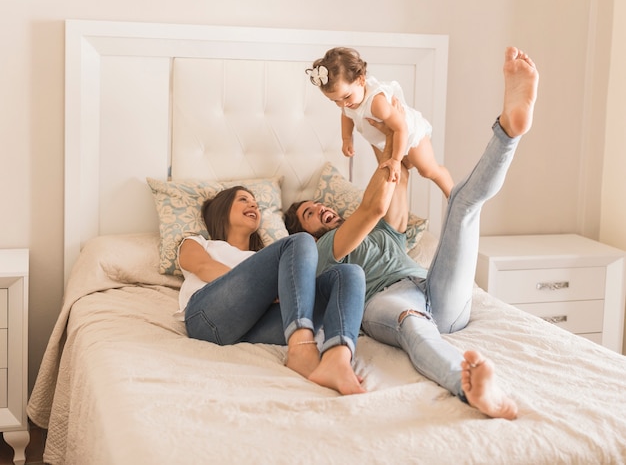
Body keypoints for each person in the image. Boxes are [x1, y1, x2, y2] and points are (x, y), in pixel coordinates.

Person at [286, 46, 539, 419]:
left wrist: (395, 133)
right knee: (413, 326)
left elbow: (398, 176)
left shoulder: (386, 231)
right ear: (303, 233)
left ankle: (508, 133)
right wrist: (387, 140)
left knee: (461, 205)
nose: (321, 208)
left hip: (437, 291)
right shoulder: (323, 250)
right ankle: (471, 389)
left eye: (320, 204)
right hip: (386, 304)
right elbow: (372, 207)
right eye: (309, 212)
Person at [177, 186, 366, 395]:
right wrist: (264, 291)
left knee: (349, 273)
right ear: (222, 210)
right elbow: (203, 267)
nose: (253, 205)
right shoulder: (199, 242)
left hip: (252, 329)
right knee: (300, 240)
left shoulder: (267, 258)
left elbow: (298, 293)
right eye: (243, 199)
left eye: (255, 202)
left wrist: (275, 290)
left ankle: (337, 359)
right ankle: (301, 347)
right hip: (207, 318)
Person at [306, 47, 453, 196]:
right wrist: (347, 138)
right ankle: (405, 162)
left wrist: (396, 160)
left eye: (346, 97)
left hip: (410, 134)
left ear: (361, 80)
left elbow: (401, 128)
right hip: (387, 140)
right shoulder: (349, 102)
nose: (342, 104)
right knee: (404, 168)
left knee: (427, 170)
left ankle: (451, 193)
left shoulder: (377, 103)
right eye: (335, 101)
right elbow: (346, 115)